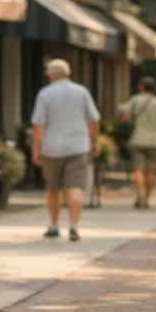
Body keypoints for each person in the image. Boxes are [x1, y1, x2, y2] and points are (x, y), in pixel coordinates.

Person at [30, 58, 100, 242]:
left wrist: (36, 148)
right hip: (78, 146)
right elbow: (93, 119)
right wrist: (95, 141)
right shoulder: (82, 92)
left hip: (51, 148)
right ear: (68, 73)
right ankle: (74, 227)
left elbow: (38, 124)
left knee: (53, 187)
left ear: (50, 76)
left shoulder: (45, 94)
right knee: (75, 187)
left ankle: (53, 226)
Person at [119, 76, 156, 209]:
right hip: (155, 140)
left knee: (138, 170)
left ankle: (140, 195)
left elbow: (123, 112)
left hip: (137, 138)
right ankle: (146, 198)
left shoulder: (135, 100)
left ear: (141, 87)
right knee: (151, 171)